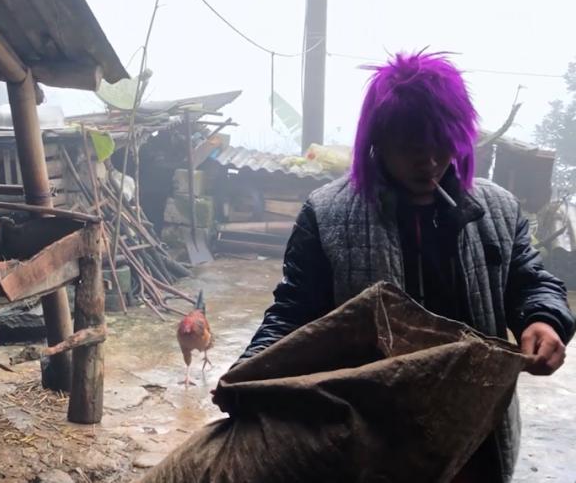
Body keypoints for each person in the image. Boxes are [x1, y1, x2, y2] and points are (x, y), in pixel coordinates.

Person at [234, 51, 574, 482]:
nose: (428, 161)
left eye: (441, 144)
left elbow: (529, 281)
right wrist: (251, 370)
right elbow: (294, 313)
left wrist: (543, 319)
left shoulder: (498, 211)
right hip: (373, 434)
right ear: (378, 139)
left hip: (475, 434)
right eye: (410, 146)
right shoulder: (328, 214)